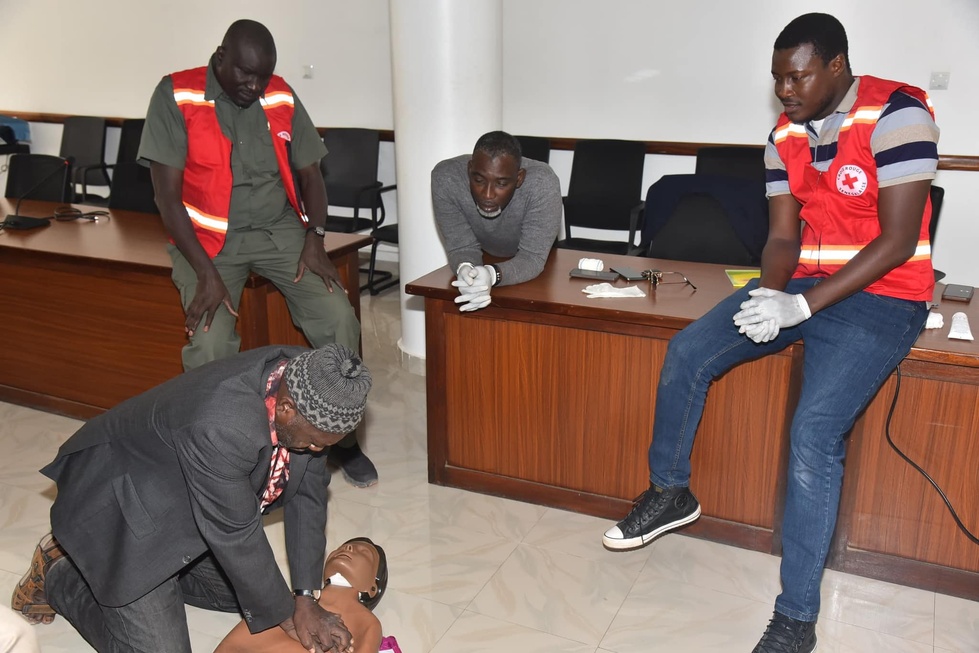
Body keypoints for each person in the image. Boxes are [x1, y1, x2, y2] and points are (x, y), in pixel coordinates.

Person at [600, 13, 938, 653]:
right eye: (778, 77)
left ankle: (796, 621)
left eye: (798, 75)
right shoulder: (783, 134)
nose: (785, 89)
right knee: (687, 350)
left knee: (813, 434)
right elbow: (782, 237)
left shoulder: (899, 116)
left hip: (883, 301)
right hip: (802, 285)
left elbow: (896, 243)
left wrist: (803, 311)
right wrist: (773, 292)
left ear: (836, 66)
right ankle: (671, 492)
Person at [137, 19, 378, 487]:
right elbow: (166, 198)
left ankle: (342, 440)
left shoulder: (279, 93)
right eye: (246, 74)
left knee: (336, 315)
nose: (254, 86)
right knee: (208, 343)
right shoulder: (176, 94)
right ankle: (214, 454)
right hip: (207, 240)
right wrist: (206, 273)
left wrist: (316, 236)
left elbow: (311, 174)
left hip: (280, 229)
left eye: (262, 76)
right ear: (221, 56)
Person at [10, 344, 372, 653]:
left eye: (325, 445)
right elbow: (236, 533)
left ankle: (153, 583)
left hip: (189, 505)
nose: (314, 450)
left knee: (252, 597)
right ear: (286, 409)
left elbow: (308, 500)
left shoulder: (316, 387)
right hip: (124, 510)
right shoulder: (223, 424)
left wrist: (304, 598)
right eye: (312, 442)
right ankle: (61, 573)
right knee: (260, 602)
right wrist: (287, 618)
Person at [431, 130, 562, 312]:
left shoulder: (543, 184)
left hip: (539, 266)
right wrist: (466, 269)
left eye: (501, 184)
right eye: (478, 180)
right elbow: (462, 247)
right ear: (469, 170)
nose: (487, 194)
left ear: (519, 179)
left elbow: (532, 257)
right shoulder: (447, 178)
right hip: (487, 256)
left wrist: (492, 275)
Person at [216, 537, 388, 653]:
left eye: (364, 553)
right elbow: (231, 644)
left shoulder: (367, 623)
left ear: (373, 588)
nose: (348, 548)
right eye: (342, 547)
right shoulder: (288, 600)